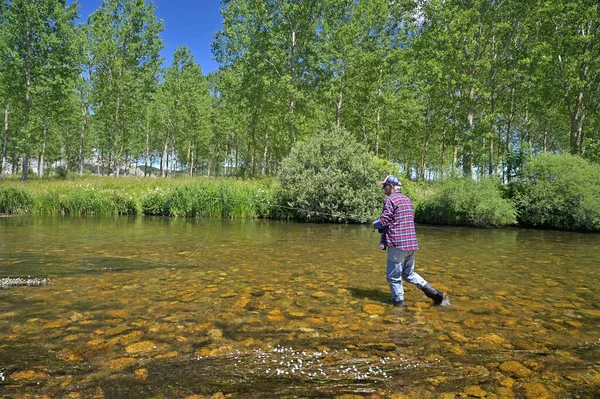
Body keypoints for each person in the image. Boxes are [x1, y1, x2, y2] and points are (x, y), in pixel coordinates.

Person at [373, 175, 449, 307]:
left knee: (393, 277)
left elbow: (384, 221)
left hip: (397, 245)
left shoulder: (390, 200)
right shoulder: (408, 200)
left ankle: (399, 305)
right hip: (411, 244)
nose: (383, 188)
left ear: (391, 187)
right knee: (409, 274)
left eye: (385, 186)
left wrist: (375, 224)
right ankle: (435, 294)